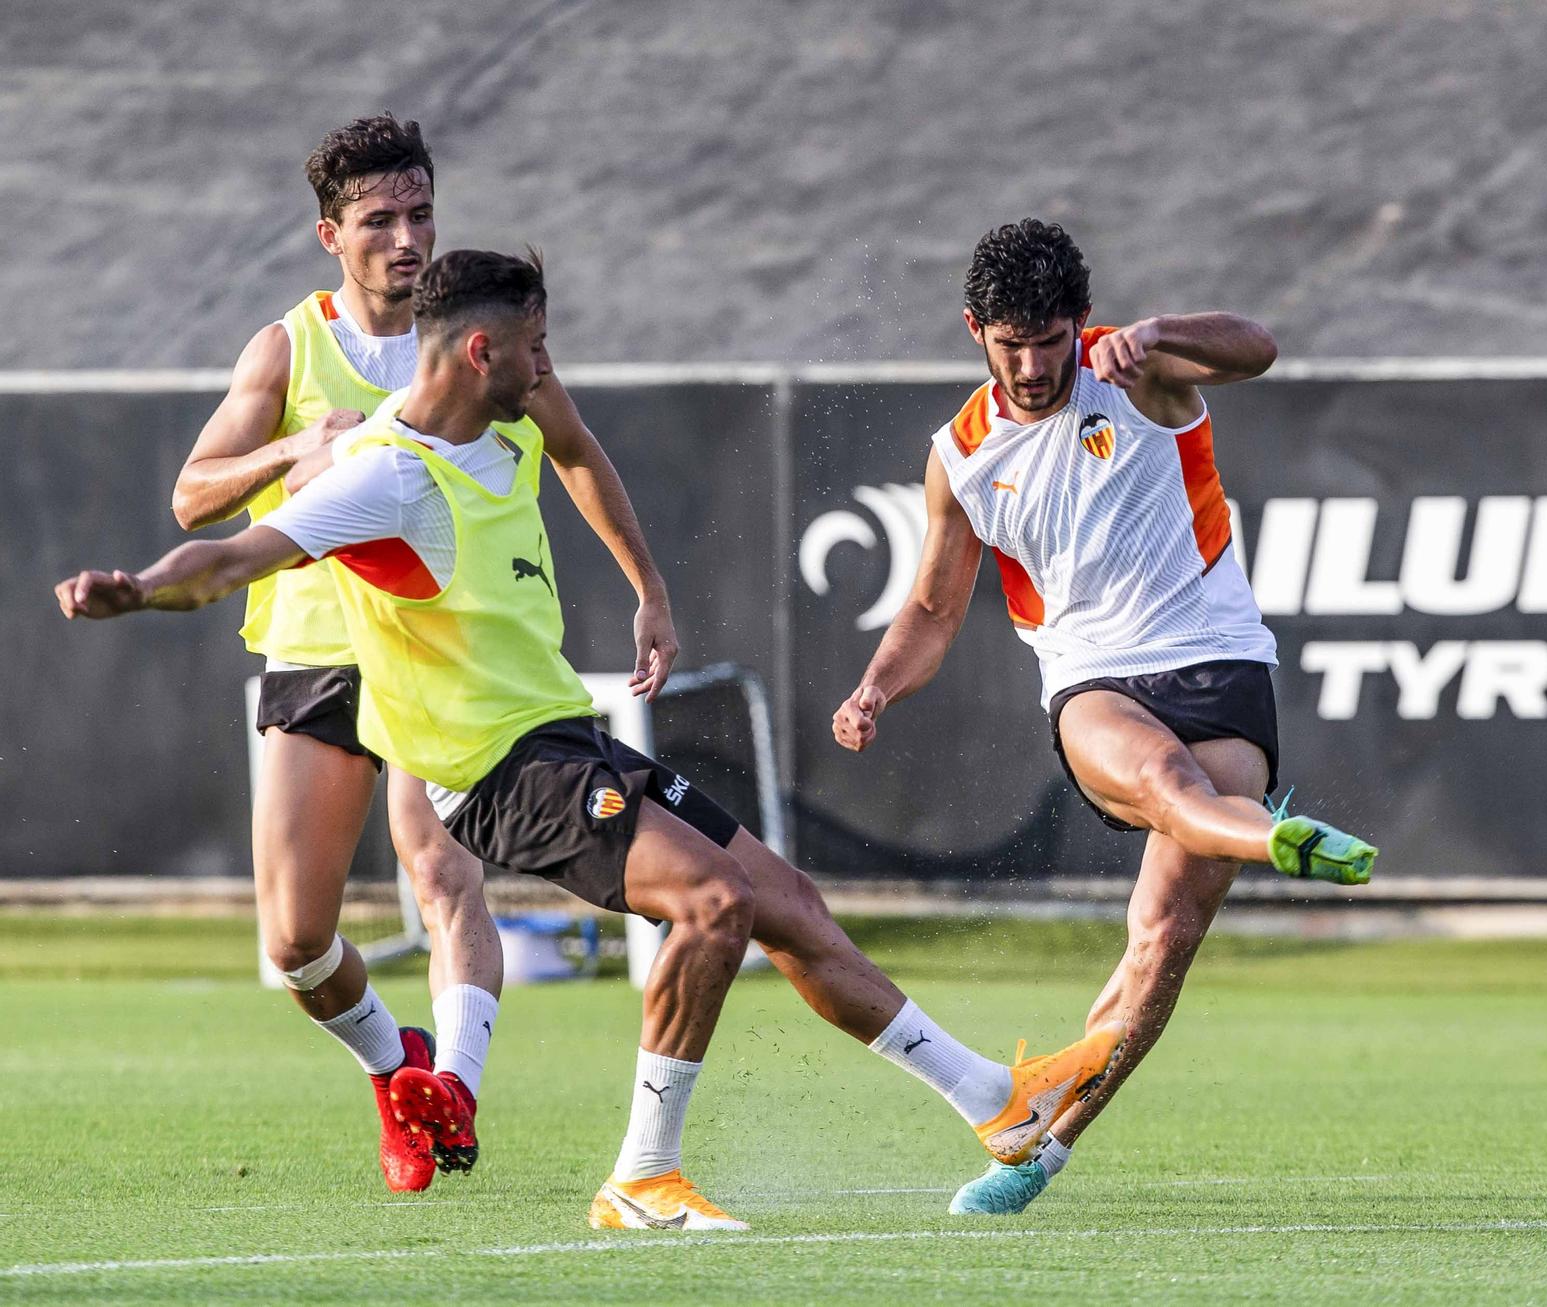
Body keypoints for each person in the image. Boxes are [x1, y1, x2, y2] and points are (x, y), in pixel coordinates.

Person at [57, 249, 1121, 1232]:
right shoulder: (387, 472)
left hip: (563, 739)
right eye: (536, 345)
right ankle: (641, 1176)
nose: (546, 364)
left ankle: (998, 1101)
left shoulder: (502, 420)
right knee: (712, 904)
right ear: (483, 351)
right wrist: (140, 588)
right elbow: (237, 554)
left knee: (786, 898)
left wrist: (648, 589)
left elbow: (577, 449)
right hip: (502, 775)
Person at [167, 114, 677, 1192]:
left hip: (440, 649)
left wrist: (646, 589)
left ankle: (455, 1090)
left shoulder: (482, 336)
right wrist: (293, 448)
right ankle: (391, 1064)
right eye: (379, 220)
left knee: (443, 872)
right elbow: (192, 492)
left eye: (420, 214)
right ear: (329, 235)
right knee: (298, 943)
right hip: (317, 650)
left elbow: (577, 455)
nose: (406, 238)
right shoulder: (289, 346)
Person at [832, 219, 1377, 1216]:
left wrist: (1163, 328)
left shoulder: (1135, 371)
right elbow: (930, 607)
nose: (1035, 364)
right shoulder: (957, 454)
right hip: (1094, 682)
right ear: (974, 331)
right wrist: (873, 687)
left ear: (1078, 322)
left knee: (1162, 935)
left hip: (1218, 664)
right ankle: (1276, 840)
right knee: (1175, 790)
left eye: (1050, 338)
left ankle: (1039, 1151)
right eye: (1011, 344)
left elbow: (1258, 347)